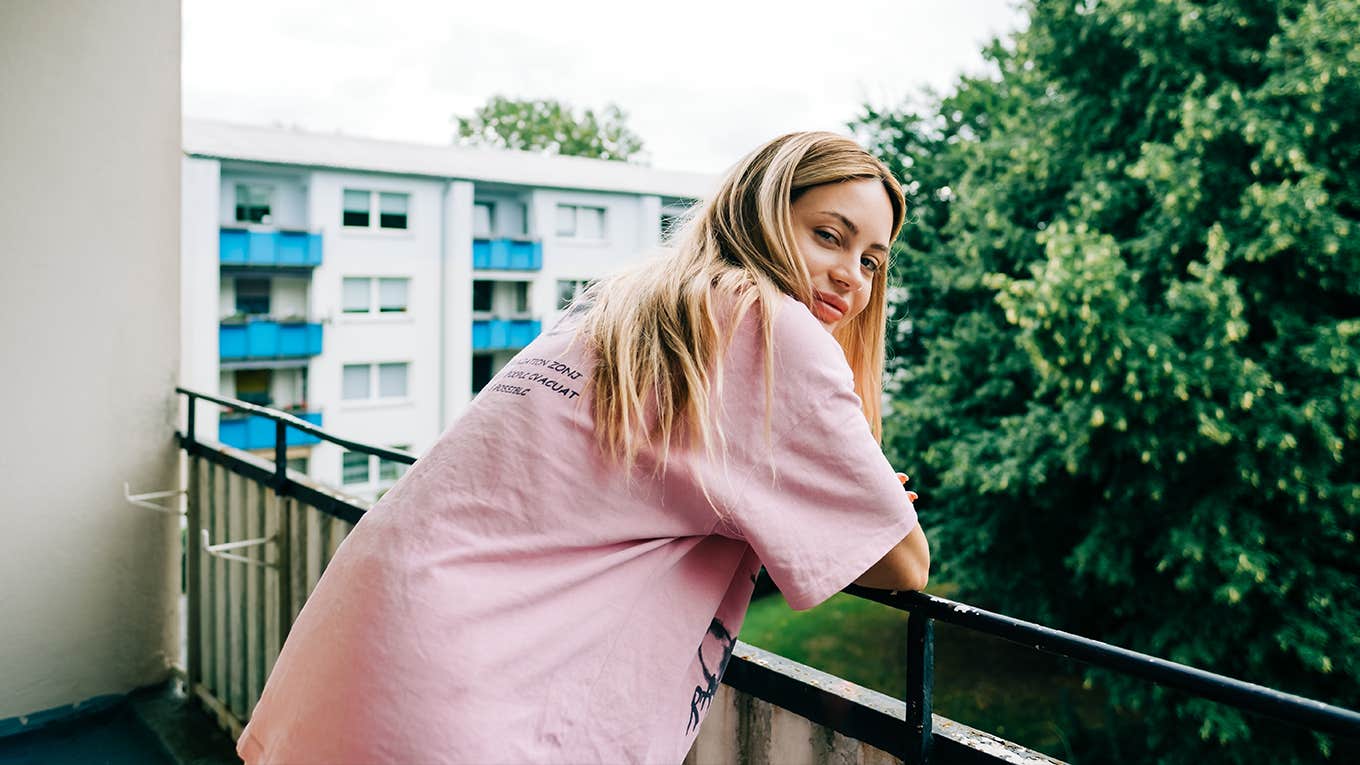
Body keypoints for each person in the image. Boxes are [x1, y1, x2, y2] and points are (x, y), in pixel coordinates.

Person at [237, 131, 930, 765]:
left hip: (366, 644)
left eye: (872, 260)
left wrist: (816, 499)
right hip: (478, 698)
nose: (851, 276)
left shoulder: (625, 304)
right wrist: (847, 503)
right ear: (761, 215)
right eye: (829, 236)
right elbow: (903, 562)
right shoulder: (770, 327)